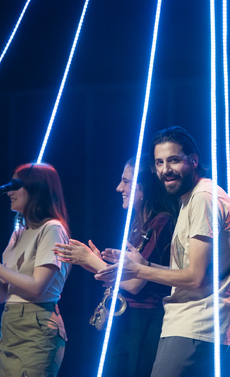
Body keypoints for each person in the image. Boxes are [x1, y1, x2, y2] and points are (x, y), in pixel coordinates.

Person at [96, 126, 230, 377]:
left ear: (194, 160)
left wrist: (139, 269)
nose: (165, 170)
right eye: (159, 162)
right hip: (185, 324)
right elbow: (191, 273)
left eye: (173, 160)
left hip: (197, 325)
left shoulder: (203, 198)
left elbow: (195, 278)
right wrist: (146, 265)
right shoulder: (191, 199)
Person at [53, 155, 178, 377]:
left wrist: (91, 260)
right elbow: (123, 278)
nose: (119, 187)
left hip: (146, 322)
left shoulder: (162, 222)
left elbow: (135, 283)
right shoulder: (139, 224)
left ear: (144, 188)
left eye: (126, 181)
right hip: (127, 321)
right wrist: (92, 262)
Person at [0, 163, 71, 377]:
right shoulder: (18, 234)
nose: (9, 192)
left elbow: (38, 288)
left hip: (37, 325)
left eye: (16, 185)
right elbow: (1, 294)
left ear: (37, 188)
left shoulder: (52, 229)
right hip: (10, 324)